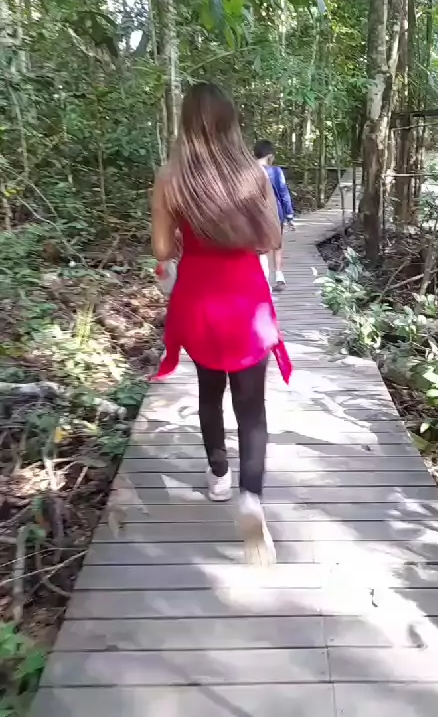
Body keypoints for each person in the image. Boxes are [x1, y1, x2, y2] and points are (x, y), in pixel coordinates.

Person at [151, 82, 292, 565]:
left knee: (209, 391)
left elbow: (162, 250)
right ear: (231, 122)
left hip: (199, 300)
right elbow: (270, 239)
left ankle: (217, 475)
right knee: (251, 411)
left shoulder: (170, 177)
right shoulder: (253, 174)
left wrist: (182, 231)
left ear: (186, 123)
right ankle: (251, 497)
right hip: (245, 300)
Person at [254, 139, 294, 289]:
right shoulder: (276, 171)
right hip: (276, 213)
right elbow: (284, 194)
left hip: (257, 214)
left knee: (261, 248)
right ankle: (279, 276)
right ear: (270, 155)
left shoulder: (249, 171)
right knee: (277, 245)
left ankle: (264, 280)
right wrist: (289, 215)